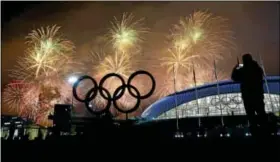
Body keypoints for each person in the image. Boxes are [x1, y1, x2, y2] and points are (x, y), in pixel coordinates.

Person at [231, 53, 267, 135]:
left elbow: (234, 77)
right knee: (261, 114)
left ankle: (255, 134)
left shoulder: (243, 70)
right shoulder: (258, 69)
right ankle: (265, 133)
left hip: (248, 97)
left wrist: (235, 68)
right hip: (258, 96)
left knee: (251, 117)